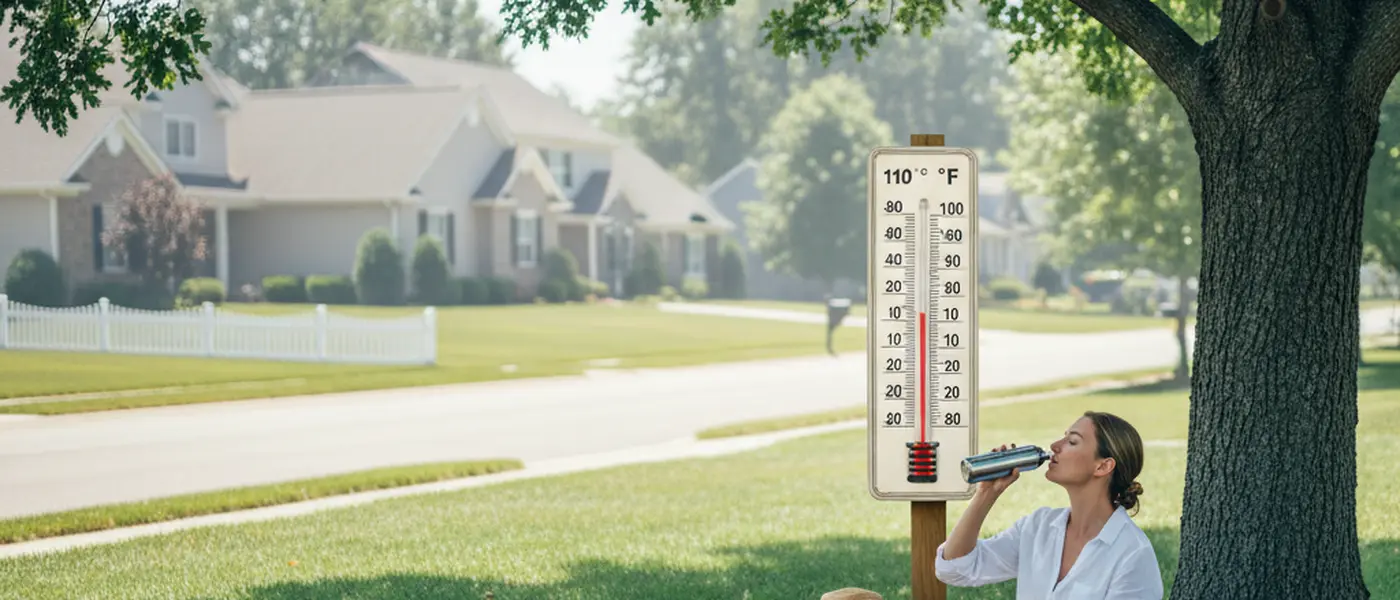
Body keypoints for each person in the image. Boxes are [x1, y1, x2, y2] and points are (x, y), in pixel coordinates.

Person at [934, 411, 1164, 599]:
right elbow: (955, 569)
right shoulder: (1038, 528)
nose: (1055, 445)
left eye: (1072, 441)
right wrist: (986, 494)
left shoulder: (1132, 553)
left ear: (1103, 466)